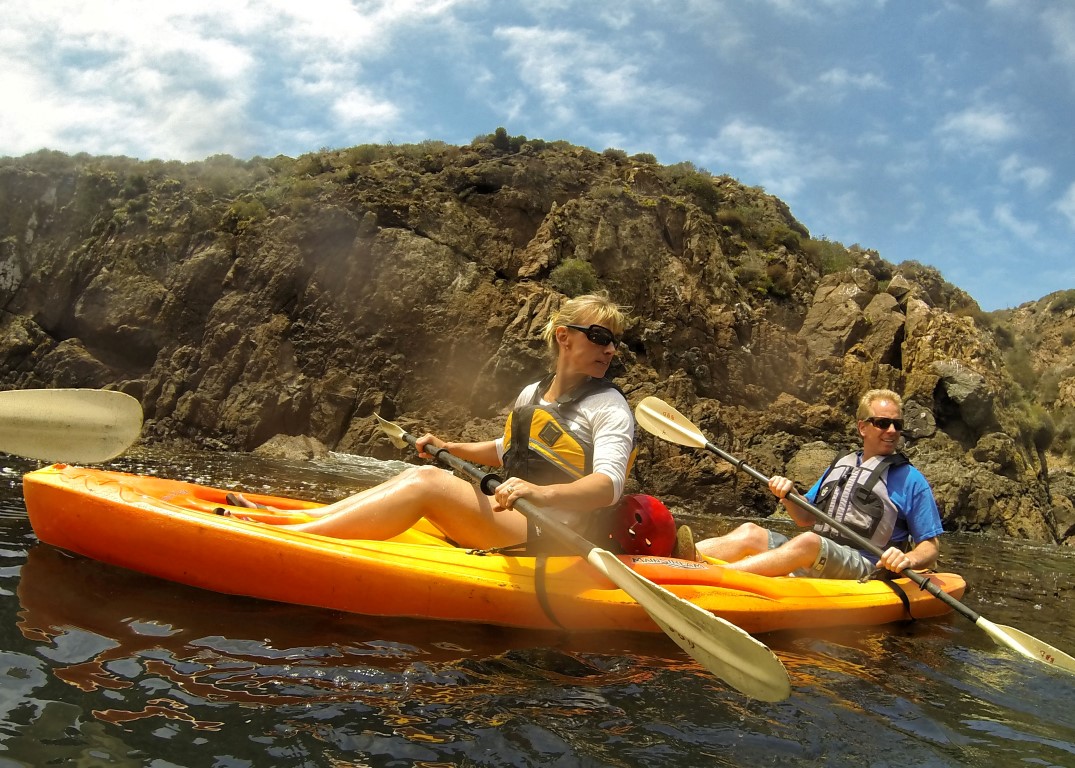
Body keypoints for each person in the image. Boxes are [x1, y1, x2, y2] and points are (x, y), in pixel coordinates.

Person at [228, 292, 675, 555]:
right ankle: (291, 521)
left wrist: (539, 493)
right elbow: (505, 450)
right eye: (600, 337)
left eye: (614, 342)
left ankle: (285, 538)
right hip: (514, 515)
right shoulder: (532, 394)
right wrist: (450, 447)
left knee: (427, 484)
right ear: (565, 337)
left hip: (553, 532)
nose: (610, 349)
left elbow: (608, 486)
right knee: (416, 474)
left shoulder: (609, 406)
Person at [694, 389, 943, 579]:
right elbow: (805, 517)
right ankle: (680, 556)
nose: (891, 430)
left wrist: (908, 559)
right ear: (862, 427)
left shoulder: (911, 479)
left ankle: (711, 577)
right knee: (750, 532)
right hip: (822, 553)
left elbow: (931, 547)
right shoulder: (842, 465)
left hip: (867, 565)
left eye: (897, 425)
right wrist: (789, 494)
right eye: (882, 423)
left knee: (809, 542)